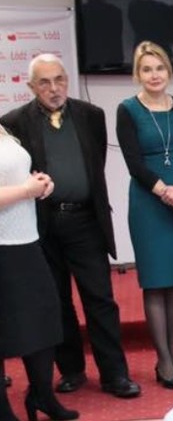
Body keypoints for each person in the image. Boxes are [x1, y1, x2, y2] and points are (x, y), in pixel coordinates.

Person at [0, 55, 141, 398]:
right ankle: (72, 370)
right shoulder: (14, 122)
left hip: (86, 221)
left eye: (59, 79)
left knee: (100, 299)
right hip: (43, 224)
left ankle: (115, 374)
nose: (54, 88)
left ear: (67, 80)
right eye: (44, 82)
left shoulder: (92, 115)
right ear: (31, 87)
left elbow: (95, 164)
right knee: (58, 301)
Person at [116, 41, 173, 389]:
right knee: (155, 281)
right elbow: (134, 164)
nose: (154, 75)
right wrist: (169, 195)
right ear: (137, 75)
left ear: (168, 71)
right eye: (146, 70)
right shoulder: (128, 109)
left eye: (159, 68)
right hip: (149, 202)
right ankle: (163, 361)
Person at [0, 124, 78, 421]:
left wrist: (39, 183)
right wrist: (25, 190)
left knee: (44, 319)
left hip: (25, 239)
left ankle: (41, 395)